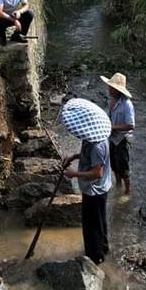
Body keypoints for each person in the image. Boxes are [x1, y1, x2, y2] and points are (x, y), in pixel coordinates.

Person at [60, 98, 113, 264]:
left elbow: (97, 173)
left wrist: (74, 174)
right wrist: (75, 156)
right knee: (100, 221)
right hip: (97, 188)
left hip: (95, 190)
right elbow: (87, 156)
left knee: (92, 226)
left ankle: (95, 258)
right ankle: (103, 248)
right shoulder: (90, 136)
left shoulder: (98, 145)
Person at [100, 72, 135, 195]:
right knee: (113, 163)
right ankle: (118, 184)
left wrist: (112, 127)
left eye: (111, 87)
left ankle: (127, 191)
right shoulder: (112, 101)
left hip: (122, 139)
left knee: (123, 165)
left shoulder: (127, 105)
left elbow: (131, 125)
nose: (108, 89)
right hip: (112, 137)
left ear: (117, 90)